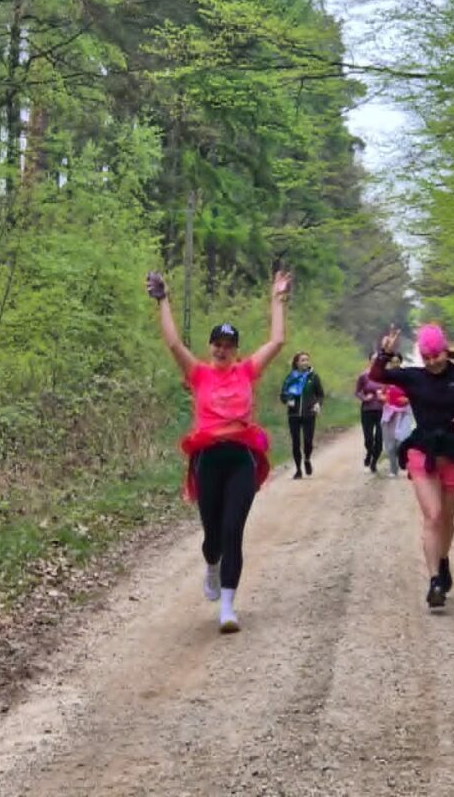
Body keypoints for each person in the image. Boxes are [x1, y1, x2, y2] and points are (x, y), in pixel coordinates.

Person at [146, 268, 291, 633]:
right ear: (211, 346)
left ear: (236, 349)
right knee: (212, 537)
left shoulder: (247, 371)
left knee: (232, 530)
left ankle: (227, 607)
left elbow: (277, 342)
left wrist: (277, 299)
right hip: (208, 459)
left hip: (241, 458)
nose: (222, 350)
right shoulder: (199, 374)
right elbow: (173, 344)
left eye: (228, 345)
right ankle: (211, 564)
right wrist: (163, 300)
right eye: (217, 344)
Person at [369, 323, 454, 608]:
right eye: (426, 357)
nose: (432, 362)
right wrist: (384, 354)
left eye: (436, 356)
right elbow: (377, 376)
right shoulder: (414, 377)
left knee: (447, 519)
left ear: (445, 351)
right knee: (433, 516)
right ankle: (435, 580)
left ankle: (443, 558)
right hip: (422, 451)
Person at [280, 352, 324, 479]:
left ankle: (307, 459)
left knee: (308, 441)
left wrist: (318, 404)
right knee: (296, 442)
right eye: (303, 360)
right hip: (293, 415)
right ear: (297, 363)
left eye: (307, 360)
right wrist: (287, 400)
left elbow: (320, 394)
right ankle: (298, 469)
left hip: (309, 413)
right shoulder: (290, 378)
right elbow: (283, 394)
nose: (305, 362)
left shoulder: (313, 377)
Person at [380, 353, 413, 478]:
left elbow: (414, 393)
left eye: (397, 361)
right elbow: (381, 393)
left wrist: (407, 399)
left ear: (400, 362)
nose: (395, 364)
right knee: (390, 445)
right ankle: (393, 469)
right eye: (392, 362)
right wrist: (384, 398)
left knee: (402, 442)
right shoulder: (387, 377)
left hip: (403, 414)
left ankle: (408, 465)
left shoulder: (406, 376)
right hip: (389, 414)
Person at [355, 356, 384, 472]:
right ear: (370, 361)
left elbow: (390, 391)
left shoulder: (384, 376)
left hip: (382, 410)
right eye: (374, 359)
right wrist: (365, 398)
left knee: (379, 438)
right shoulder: (364, 376)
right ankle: (369, 453)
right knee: (369, 438)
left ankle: (374, 462)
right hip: (367, 410)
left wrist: (384, 396)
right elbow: (357, 392)